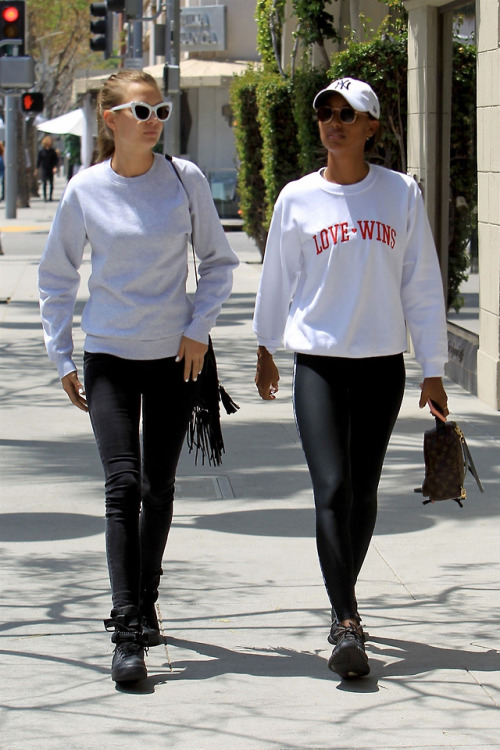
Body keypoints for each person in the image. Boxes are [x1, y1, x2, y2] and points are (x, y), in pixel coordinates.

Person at [38, 70, 239, 684]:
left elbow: (218, 263)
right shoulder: (85, 190)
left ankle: (146, 597)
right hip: (108, 358)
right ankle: (128, 630)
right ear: (110, 120)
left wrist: (198, 328)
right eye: (141, 111)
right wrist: (63, 356)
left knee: (159, 487)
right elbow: (56, 278)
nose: (153, 121)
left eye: (161, 111)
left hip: (175, 358)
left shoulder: (185, 180)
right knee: (122, 486)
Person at [253, 78, 448, 680]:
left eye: (347, 114)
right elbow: (277, 277)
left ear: (371, 126)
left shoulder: (399, 194)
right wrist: (264, 345)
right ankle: (345, 617)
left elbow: (421, 282)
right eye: (325, 114)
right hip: (317, 361)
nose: (333, 123)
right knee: (332, 487)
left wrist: (434, 368)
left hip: (382, 365)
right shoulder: (297, 198)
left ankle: (346, 609)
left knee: (363, 493)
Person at [36, 135, 59, 201]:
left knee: (51, 183)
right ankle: (45, 197)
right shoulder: (41, 151)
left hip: (51, 168)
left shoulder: (52, 151)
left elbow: (56, 160)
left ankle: (50, 197)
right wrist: (36, 169)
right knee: (44, 183)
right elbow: (39, 160)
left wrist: (55, 167)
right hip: (44, 168)